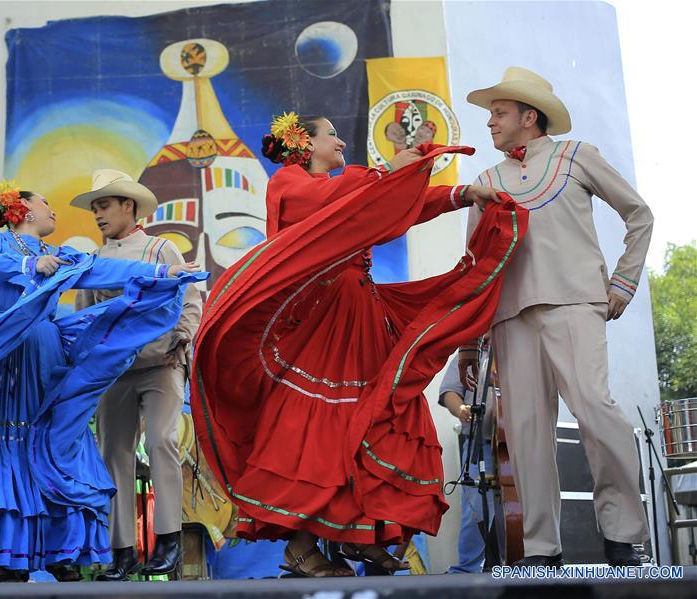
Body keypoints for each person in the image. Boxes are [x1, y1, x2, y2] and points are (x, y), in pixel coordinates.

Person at [191, 111, 528, 577]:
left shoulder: (352, 187)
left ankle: (362, 531)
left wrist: (463, 194)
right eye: (331, 135)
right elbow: (337, 199)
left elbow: (395, 208)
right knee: (320, 426)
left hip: (361, 313)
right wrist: (389, 171)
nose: (342, 143)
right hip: (322, 319)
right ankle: (302, 547)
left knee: (378, 416)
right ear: (303, 144)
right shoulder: (288, 184)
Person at [0, 180, 204, 582]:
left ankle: (55, 550)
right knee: (3, 452)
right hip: (4, 359)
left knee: (50, 448)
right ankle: (2, 557)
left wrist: (164, 271)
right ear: (22, 212)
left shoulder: (60, 255)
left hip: (43, 362)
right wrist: (27, 266)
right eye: (46, 204)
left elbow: (101, 269)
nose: (53, 211)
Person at [461, 67, 653, 567]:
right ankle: (542, 549)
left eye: (498, 113)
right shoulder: (485, 181)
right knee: (524, 430)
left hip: (576, 301)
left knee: (597, 411)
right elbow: (476, 262)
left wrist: (624, 282)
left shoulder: (576, 156)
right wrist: (469, 332)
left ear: (529, 116)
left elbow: (639, 214)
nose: (491, 123)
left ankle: (623, 534)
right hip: (509, 315)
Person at [71, 170, 202, 579]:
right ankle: (122, 552)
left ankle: (169, 542)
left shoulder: (162, 249)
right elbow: (85, 314)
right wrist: (89, 359)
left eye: (104, 205)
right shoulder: (94, 261)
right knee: (113, 454)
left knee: (162, 440)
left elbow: (191, 300)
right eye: (95, 208)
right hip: (115, 373)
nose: (98, 215)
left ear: (129, 205)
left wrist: (180, 337)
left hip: (160, 367)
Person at [438, 354, 495, 573]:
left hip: (516, 442)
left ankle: (508, 563)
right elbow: (450, 391)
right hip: (479, 440)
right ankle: (467, 570)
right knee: (475, 508)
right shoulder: (474, 349)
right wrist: (461, 409)